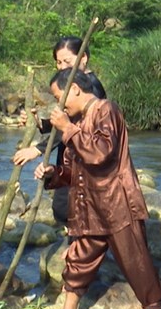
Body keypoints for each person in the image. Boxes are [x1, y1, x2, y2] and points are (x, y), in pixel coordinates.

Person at [33, 69, 161, 309]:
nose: (59, 105)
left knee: (137, 261)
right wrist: (52, 174)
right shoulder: (78, 120)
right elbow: (72, 171)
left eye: (60, 97)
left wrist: (66, 128)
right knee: (80, 257)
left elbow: (100, 152)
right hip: (89, 207)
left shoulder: (107, 110)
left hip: (118, 204)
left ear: (75, 89)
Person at [13, 36, 107, 224]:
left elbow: (69, 123)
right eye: (58, 62)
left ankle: (79, 247)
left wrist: (38, 149)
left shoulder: (90, 88)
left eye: (68, 61)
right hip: (70, 157)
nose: (63, 67)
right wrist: (41, 123)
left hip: (83, 159)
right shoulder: (73, 83)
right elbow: (64, 120)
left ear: (83, 59)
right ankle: (75, 244)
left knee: (71, 208)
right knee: (64, 207)